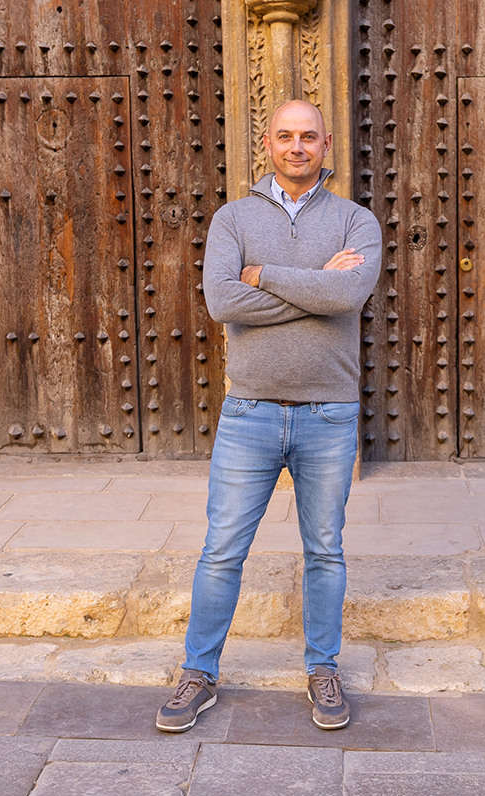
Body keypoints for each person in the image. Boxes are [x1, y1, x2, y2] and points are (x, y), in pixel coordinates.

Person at [155, 100, 382, 733]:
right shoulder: (233, 218)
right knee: (221, 550)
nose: (297, 146)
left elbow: (348, 294)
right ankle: (198, 673)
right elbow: (222, 301)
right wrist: (314, 286)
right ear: (268, 143)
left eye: (308, 136)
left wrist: (265, 277)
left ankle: (323, 669)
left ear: (327, 144)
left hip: (328, 415)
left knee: (325, 550)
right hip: (249, 413)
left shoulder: (355, 220)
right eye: (285, 136)